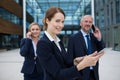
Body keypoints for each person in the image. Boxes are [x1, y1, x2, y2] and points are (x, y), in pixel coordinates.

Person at [36, 6, 104, 80]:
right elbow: (58, 74)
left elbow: (64, 64)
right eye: (57, 21)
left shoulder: (58, 42)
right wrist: (82, 65)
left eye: (62, 22)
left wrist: (76, 61)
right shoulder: (43, 44)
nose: (61, 25)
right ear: (47, 20)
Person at [67, 15, 105, 80]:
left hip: (94, 74)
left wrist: (99, 38)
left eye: (90, 22)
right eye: (86, 21)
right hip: (80, 75)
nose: (88, 24)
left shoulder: (94, 36)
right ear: (81, 23)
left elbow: (101, 48)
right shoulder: (73, 38)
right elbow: (69, 59)